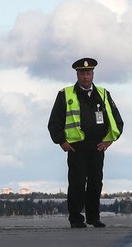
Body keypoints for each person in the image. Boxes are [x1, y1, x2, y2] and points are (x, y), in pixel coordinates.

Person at [48, 57, 124, 228]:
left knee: (96, 183)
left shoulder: (103, 94)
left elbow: (117, 120)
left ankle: (93, 218)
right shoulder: (65, 94)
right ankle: (76, 219)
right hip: (76, 148)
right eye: (82, 73)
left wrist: (109, 140)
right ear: (77, 74)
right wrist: (62, 141)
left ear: (93, 75)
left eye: (88, 73)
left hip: (97, 146)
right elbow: (54, 122)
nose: (85, 76)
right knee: (77, 183)